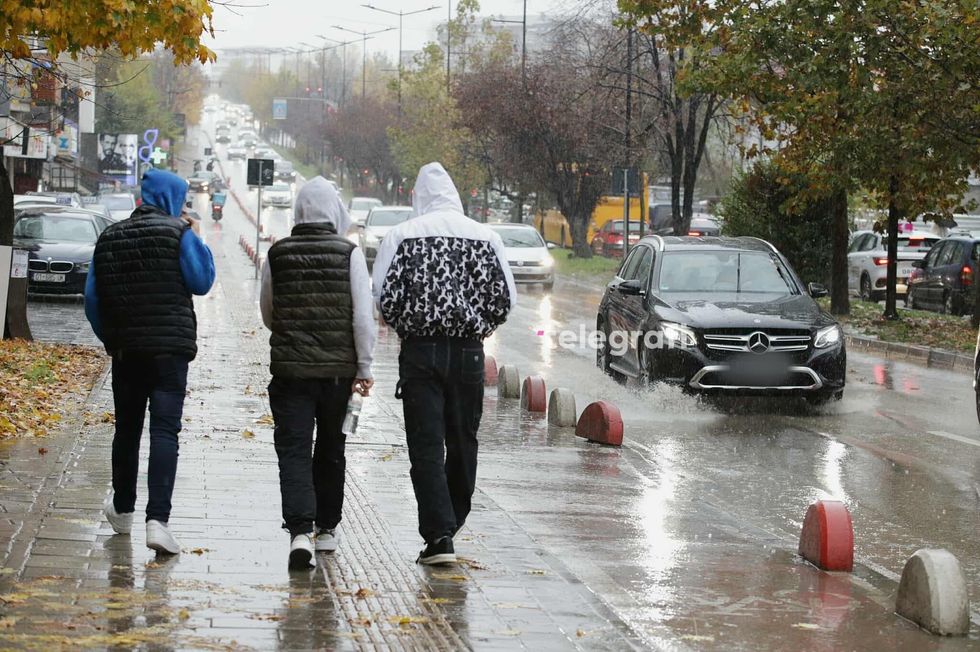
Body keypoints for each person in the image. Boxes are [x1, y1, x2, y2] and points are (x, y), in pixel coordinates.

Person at [372, 162, 516, 566]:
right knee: (463, 438)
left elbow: (382, 295)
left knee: (426, 444)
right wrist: (480, 326)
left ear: (417, 197)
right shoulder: (485, 237)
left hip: (420, 353)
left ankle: (439, 535)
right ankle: (453, 518)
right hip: (469, 352)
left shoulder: (402, 236)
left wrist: (406, 325)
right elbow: (506, 300)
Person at [84, 168, 215, 555]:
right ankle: (157, 521)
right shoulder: (179, 233)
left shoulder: (110, 236)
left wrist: (111, 339)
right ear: (172, 199)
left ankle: (123, 510)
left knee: (126, 431)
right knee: (164, 432)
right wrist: (194, 234)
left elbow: (92, 300)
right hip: (170, 353)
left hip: (127, 352)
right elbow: (202, 281)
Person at [259, 176, 377, 570]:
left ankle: (299, 532)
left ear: (299, 211)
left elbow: (268, 312)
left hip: (290, 373)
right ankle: (326, 528)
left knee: (293, 450)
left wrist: (293, 333)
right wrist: (364, 366)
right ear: (333, 211)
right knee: (331, 448)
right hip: (337, 375)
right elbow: (363, 317)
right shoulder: (349, 254)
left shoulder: (278, 253)